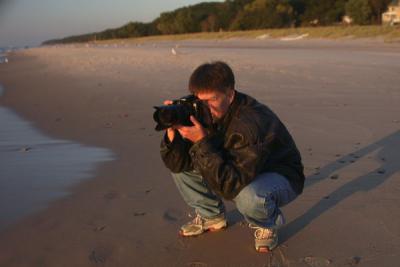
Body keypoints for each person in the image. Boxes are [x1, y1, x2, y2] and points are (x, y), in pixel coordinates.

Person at [159, 61, 305, 253]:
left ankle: (267, 225)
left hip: (279, 174)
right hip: (239, 165)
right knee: (183, 164)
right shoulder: (202, 110)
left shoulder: (250, 122)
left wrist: (201, 141)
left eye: (212, 100)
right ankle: (211, 216)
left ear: (230, 94)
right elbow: (177, 165)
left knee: (249, 197)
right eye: (200, 100)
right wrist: (173, 134)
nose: (205, 107)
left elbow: (230, 187)